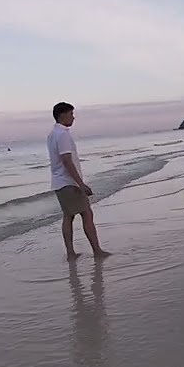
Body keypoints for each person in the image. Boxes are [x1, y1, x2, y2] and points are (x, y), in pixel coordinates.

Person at [48, 102, 111, 261]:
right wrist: (80, 184)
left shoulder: (52, 134)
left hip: (59, 182)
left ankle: (71, 253)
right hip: (68, 182)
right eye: (71, 114)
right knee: (87, 213)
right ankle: (97, 251)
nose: (73, 117)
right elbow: (66, 160)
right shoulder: (63, 134)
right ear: (62, 115)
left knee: (68, 216)